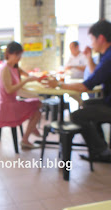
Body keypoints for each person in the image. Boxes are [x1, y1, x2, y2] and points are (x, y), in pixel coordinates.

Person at [46, 20, 111, 162]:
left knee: (77, 116)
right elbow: (95, 75)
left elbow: (85, 86)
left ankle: (101, 151)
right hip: (107, 100)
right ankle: (101, 148)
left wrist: (58, 84)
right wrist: (89, 57)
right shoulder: (106, 55)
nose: (91, 43)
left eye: (92, 39)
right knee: (87, 105)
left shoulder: (109, 58)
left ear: (101, 38)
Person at [0, 41, 42, 149]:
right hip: (7, 105)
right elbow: (9, 90)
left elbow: (27, 75)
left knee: (38, 104)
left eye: (20, 55)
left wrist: (36, 78)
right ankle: (27, 136)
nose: (19, 57)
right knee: (37, 109)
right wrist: (26, 81)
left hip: (13, 102)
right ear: (9, 54)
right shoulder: (5, 69)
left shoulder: (14, 67)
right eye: (17, 55)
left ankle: (31, 129)